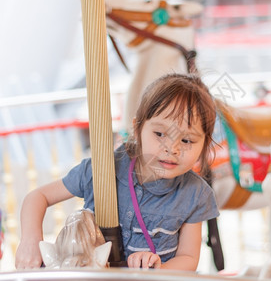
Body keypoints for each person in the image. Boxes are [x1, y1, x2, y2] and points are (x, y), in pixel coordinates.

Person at [15, 73, 220, 270]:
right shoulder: (103, 168)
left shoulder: (195, 193)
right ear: (137, 129)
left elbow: (189, 257)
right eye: (160, 134)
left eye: (187, 140)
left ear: (204, 144)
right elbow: (37, 196)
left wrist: (158, 267)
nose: (172, 148)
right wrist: (31, 240)